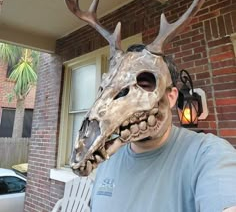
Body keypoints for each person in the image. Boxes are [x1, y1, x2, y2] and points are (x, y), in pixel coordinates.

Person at [90, 47, 236, 212]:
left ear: (171, 97)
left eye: (144, 86)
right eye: (122, 91)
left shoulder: (209, 154)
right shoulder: (107, 160)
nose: (130, 104)